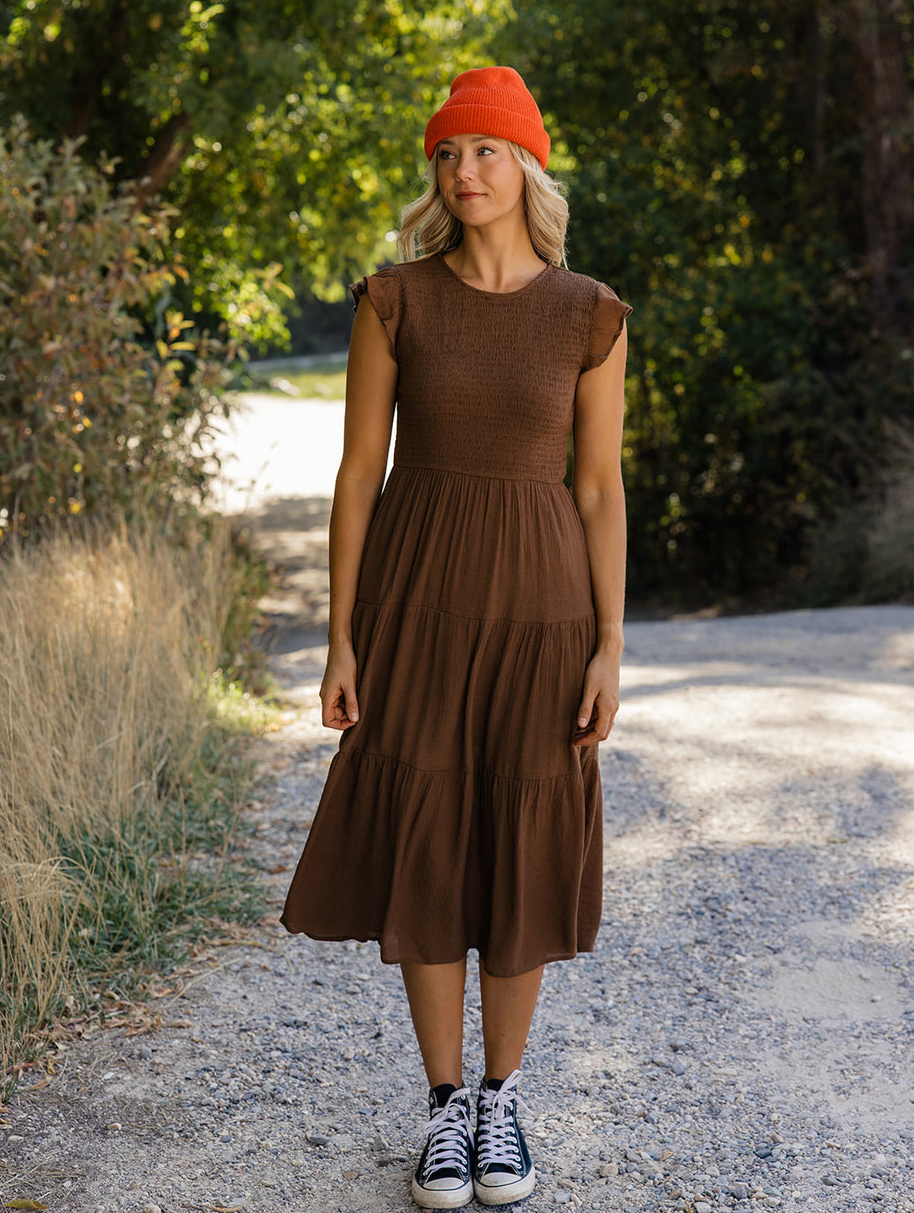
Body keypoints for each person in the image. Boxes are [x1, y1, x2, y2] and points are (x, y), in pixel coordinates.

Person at [281, 66, 630, 1209]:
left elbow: (596, 490)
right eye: (444, 154)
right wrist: (339, 637)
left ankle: (501, 1095)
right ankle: (441, 1107)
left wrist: (609, 646)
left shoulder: (589, 312)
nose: (461, 171)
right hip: (416, 600)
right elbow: (354, 475)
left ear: (525, 164)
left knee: (519, 849)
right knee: (427, 843)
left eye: (482, 151)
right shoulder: (395, 301)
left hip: (544, 612)